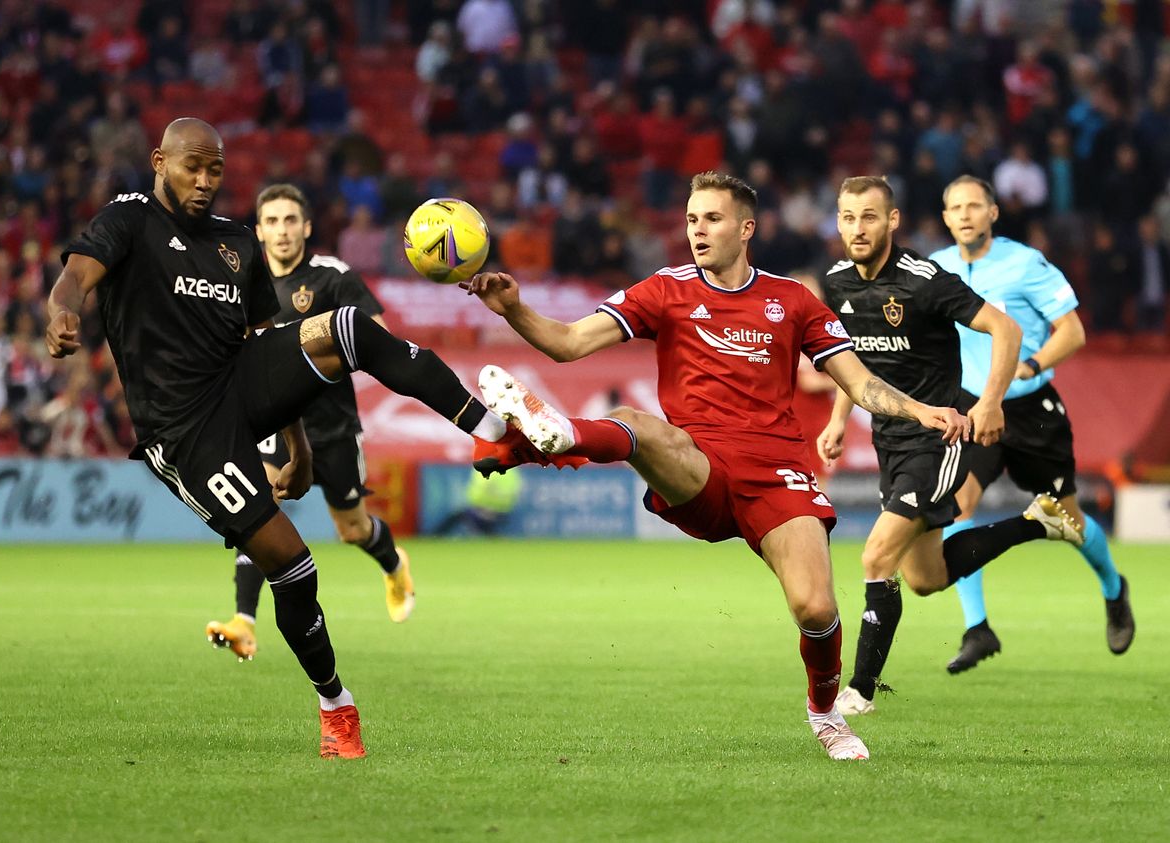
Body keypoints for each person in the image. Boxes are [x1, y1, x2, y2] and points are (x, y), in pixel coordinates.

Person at [45, 118, 573, 759]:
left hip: (239, 383)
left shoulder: (236, 243)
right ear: (160, 161)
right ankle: (336, 706)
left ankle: (492, 433)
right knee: (294, 567)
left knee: (349, 328)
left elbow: (265, 347)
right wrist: (62, 309)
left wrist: (296, 447)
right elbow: (75, 275)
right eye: (193, 168)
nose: (206, 181)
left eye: (216, 170)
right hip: (183, 432)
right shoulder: (130, 219)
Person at [464, 170, 974, 762]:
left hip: (778, 473)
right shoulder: (665, 289)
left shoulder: (793, 301)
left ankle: (825, 713)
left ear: (746, 228)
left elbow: (859, 383)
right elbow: (570, 342)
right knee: (639, 421)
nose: (697, 231)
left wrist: (921, 411)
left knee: (816, 608)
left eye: (710, 219)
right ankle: (560, 434)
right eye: (690, 220)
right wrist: (513, 310)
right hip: (700, 466)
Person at [818, 175, 1084, 718]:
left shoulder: (924, 281)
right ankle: (1040, 521)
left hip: (936, 439)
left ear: (892, 221)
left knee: (874, 556)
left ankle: (859, 692)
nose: (857, 228)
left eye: (869, 217)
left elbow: (1005, 330)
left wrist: (989, 403)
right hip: (890, 440)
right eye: (848, 217)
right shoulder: (838, 281)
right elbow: (854, 361)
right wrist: (838, 417)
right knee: (925, 578)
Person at [203, 183, 416, 665]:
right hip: (273, 427)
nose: (281, 231)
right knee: (256, 516)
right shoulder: (239, 284)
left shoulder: (330, 277)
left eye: (290, 220)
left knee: (352, 529)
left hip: (333, 429)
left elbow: (378, 337)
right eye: (272, 222)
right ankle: (245, 621)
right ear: (258, 231)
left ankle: (392, 562)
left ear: (307, 228)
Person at [931, 175, 1134, 673]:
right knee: (958, 506)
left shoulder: (1025, 264)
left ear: (993, 212)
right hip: (973, 409)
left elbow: (1073, 331)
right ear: (944, 217)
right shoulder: (936, 269)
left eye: (974, 205)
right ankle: (977, 628)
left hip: (1028, 407)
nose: (964, 215)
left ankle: (1113, 587)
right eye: (955, 207)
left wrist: (1031, 366)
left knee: (1068, 522)